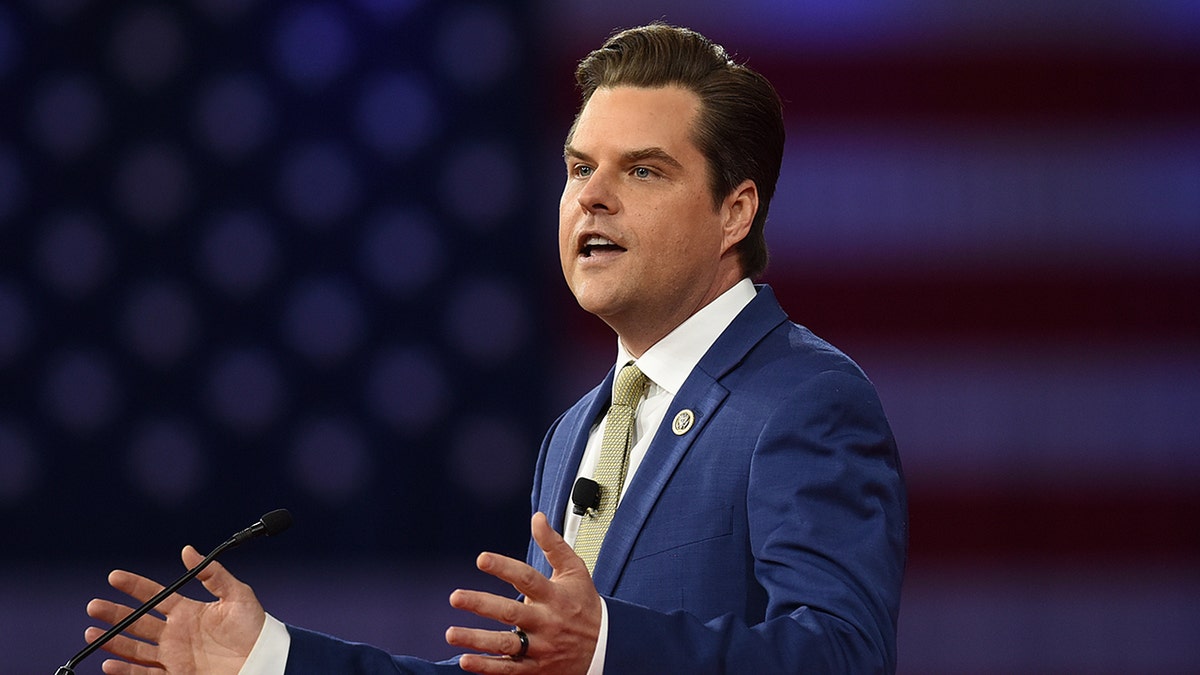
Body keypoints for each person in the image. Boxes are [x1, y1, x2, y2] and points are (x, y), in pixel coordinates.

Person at [83, 23, 907, 674]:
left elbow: (843, 655)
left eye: (644, 171)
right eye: (579, 165)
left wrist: (610, 645)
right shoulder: (578, 430)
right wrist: (268, 659)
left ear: (735, 212)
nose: (593, 195)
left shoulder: (803, 400)